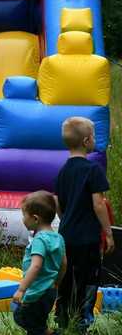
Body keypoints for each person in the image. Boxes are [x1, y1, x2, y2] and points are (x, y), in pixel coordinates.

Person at [54, 117, 114, 333]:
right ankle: (82, 320)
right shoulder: (93, 169)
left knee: (67, 277)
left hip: (66, 235)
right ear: (87, 140)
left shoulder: (63, 171)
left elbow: (58, 204)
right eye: (95, 136)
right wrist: (108, 233)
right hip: (87, 238)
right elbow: (98, 204)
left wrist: (68, 218)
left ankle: (62, 317)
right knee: (88, 278)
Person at [13, 191, 67, 335]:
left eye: (24, 215)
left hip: (37, 291)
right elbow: (64, 264)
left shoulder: (40, 240)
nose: (23, 219)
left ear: (35, 218)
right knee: (38, 321)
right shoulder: (58, 238)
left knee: (22, 317)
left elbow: (36, 266)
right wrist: (57, 282)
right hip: (50, 291)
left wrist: (21, 289)